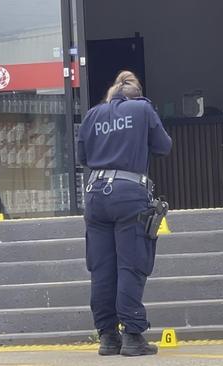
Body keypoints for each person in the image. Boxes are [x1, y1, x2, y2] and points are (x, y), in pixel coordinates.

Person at [77, 71, 172, 357]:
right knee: (131, 264)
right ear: (136, 92)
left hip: (95, 195)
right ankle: (132, 335)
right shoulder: (143, 108)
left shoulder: (93, 115)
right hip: (130, 193)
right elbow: (164, 146)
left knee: (102, 269)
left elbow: (83, 158)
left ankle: (107, 337)